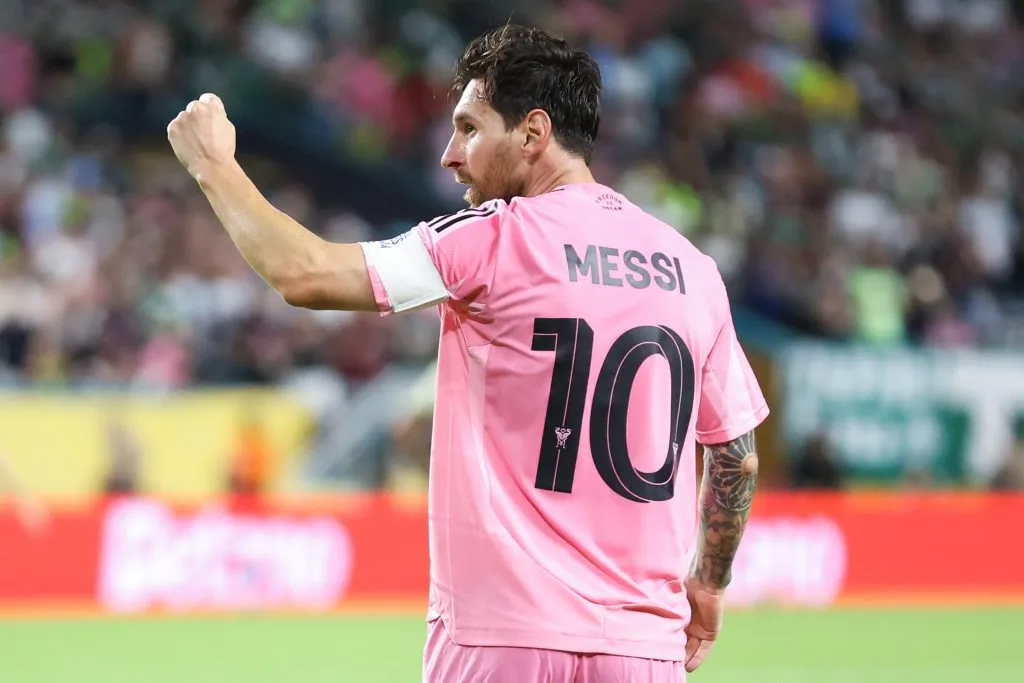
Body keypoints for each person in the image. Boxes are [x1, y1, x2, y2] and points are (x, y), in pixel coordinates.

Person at [167, 24, 769, 683]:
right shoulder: (692, 269)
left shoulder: (493, 238)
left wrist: (213, 165)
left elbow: (303, 273)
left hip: (500, 639)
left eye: (470, 128)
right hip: (645, 650)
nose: (452, 155)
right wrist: (708, 584)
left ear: (533, 134)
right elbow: (737, 456)